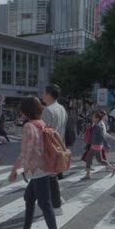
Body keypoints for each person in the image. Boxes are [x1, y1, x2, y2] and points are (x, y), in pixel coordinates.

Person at [8, 97, 61, 229]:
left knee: (45, 204)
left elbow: (25, 152)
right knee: (29, 198)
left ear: (24, 111)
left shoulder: (28, 126)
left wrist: (13, 171)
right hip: (43, 167)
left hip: (38, 170)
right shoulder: (41, 123)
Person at [42, 84, 67, 216]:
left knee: (49, 176)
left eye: (43, 93)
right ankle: (58, 199)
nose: (42, 95)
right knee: (51, 176)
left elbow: (43, 131)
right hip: (60, 144)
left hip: (49, 147)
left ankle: (56, 204)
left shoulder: (47, 110)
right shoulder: (62, 108)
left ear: (48, 94)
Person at [82, 112, 115, 180]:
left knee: (88, 158)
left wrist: (106, 146)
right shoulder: (95, 125)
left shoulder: (98, 126)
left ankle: (88, 174)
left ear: (97, 118)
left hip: (96, 145)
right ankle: (112, 168)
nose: (92, 118)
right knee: (100, 160)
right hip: (98, 145)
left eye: (94, 117)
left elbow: (102, 136)